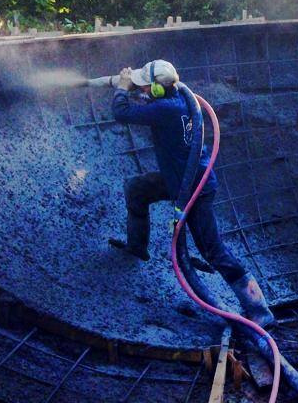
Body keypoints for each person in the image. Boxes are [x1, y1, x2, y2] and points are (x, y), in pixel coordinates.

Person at [106, 59, 274, 327]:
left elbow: (122, 113)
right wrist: (137, 89)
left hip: (194, 188)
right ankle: (137, 247)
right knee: (137, 189)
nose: (144, 90)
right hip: (180, 177)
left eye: (146, 87)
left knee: (212, 250)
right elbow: (151, 104)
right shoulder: (179, 100)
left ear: (158, 90)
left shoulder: (163, 109)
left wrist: (123, 88)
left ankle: (258, 308)